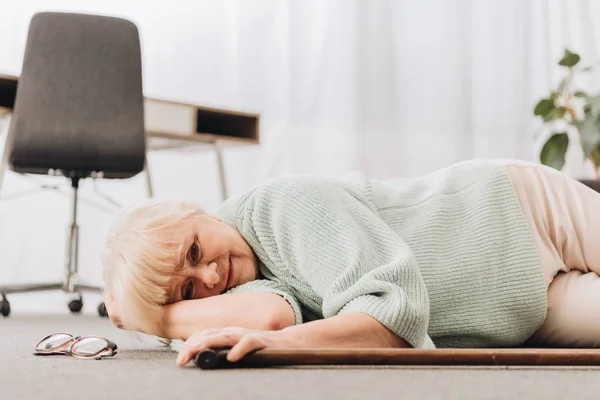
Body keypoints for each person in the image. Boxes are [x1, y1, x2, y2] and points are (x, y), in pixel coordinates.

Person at [101, 158, 600, 366]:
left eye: (193, 250)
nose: (209, 275)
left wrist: (161, 315)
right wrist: (161, 313)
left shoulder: (283, 206)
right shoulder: (237, 287)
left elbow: (393, 313)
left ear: (198, 210)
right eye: (189, 290)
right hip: (522, 306)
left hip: (520, 213)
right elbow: (270, 318)